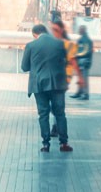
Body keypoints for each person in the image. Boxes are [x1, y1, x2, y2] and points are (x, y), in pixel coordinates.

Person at [22, 19, 73, 152]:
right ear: (46, 32)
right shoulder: (60, 44)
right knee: (60, 114)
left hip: (39, 85)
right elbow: (67, 61)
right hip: (57, 84)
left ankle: (46, 144)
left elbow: (24, 67)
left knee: (43, 114)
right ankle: (64, 143)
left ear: (34, 35)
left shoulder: (31, 46)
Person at [71, 23, 94, 100]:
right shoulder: (83, 39)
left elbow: (86, 51)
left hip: (84, 62)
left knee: (84, 78)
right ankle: (80, 92)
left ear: (83, 30)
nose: (78, 31)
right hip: (81, 61)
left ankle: (85, 94)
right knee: (81, 78)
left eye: (80, 29)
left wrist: (76, 55)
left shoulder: (86, 39)